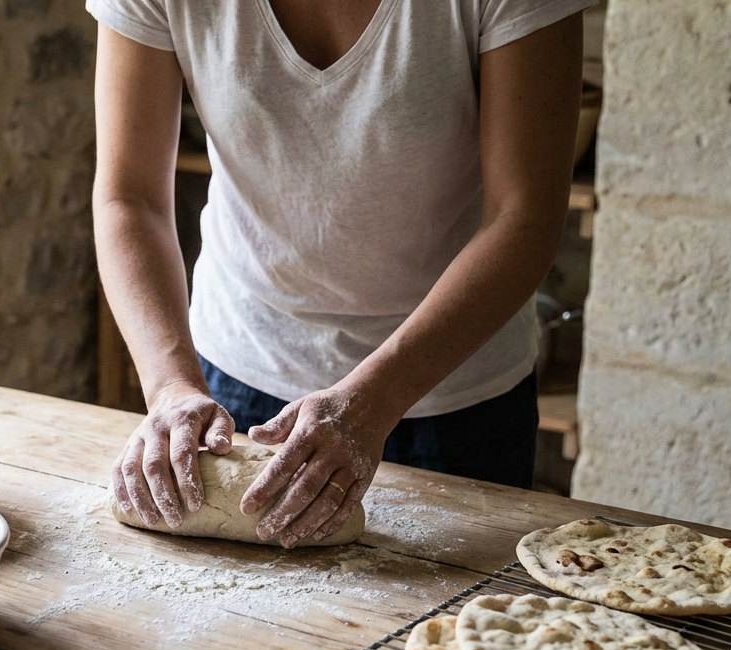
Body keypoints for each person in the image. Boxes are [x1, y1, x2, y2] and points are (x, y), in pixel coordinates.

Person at [90, 0, 589, 547]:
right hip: (235, 383)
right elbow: (129, 197)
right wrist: (169, 386)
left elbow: (524, 214)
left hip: (453, 395)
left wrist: (375, 399)